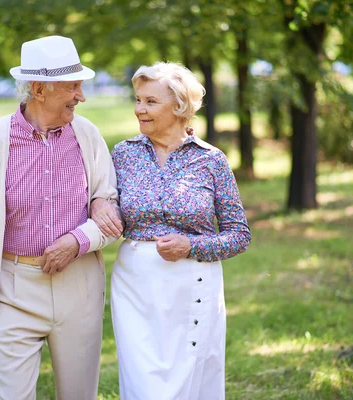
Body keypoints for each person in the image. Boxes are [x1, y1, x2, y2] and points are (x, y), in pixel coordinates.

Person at [0, 35, 122, 400]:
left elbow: (112, 210)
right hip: (13, 289)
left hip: (79, 287)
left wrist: (77, 241)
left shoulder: (87, 136)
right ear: (39, 89)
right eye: (72, 86)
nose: (81, 96)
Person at [100, 62, 252, 399]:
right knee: (143, 385)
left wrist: (191, 245)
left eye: (151, 102)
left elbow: (239, 234)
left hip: (192, 286)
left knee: (188, 383)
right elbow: (103, 206)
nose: (140, 108)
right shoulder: (123, 154)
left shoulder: (211, 160)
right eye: (138, 99)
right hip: (135, 288)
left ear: (179, 107)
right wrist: (101, 206)